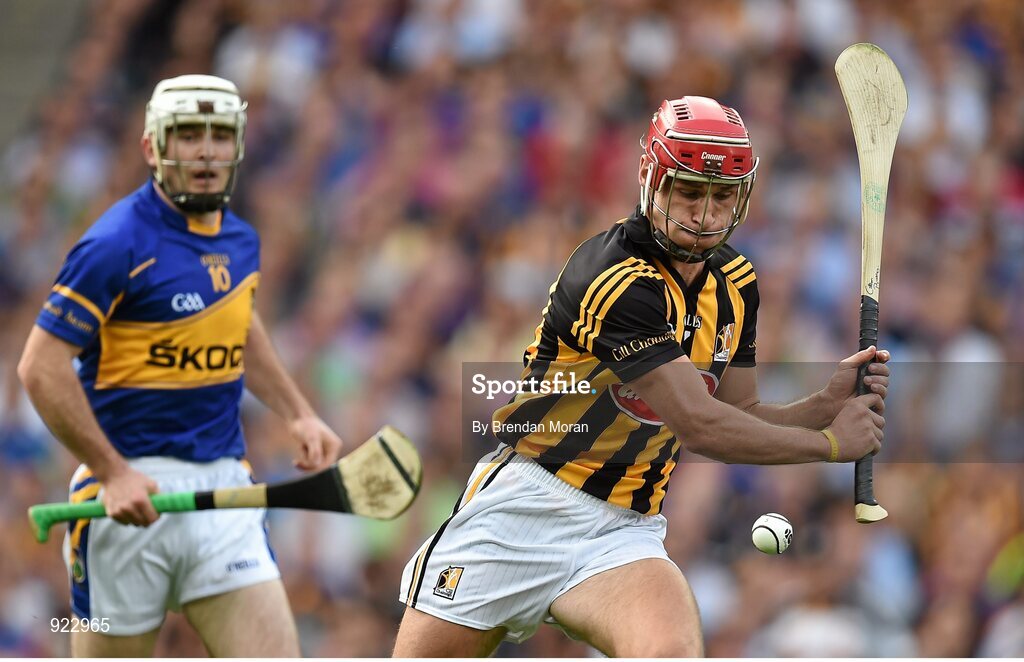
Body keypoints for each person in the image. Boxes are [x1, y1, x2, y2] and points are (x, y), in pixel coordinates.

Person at [393, 96, 891, 657]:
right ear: (652, 179)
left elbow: (741, 415)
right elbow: (701, 427)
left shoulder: (736, 282)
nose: (705, 214)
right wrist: (827, 446)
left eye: (722, 195)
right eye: (689, 191)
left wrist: (825, 403)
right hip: (525, 506)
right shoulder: (613, 278)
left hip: (623, 529)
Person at [17, 74, 342, 657]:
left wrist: (298, 412)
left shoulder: (239, 240)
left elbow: (238, 321)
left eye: (221, 135)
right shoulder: (114, 243)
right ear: (152, 147)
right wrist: (110, 471)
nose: (207, 152)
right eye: (189, 135)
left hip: (223, 492)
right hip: (126, 499)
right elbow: (39, 367)